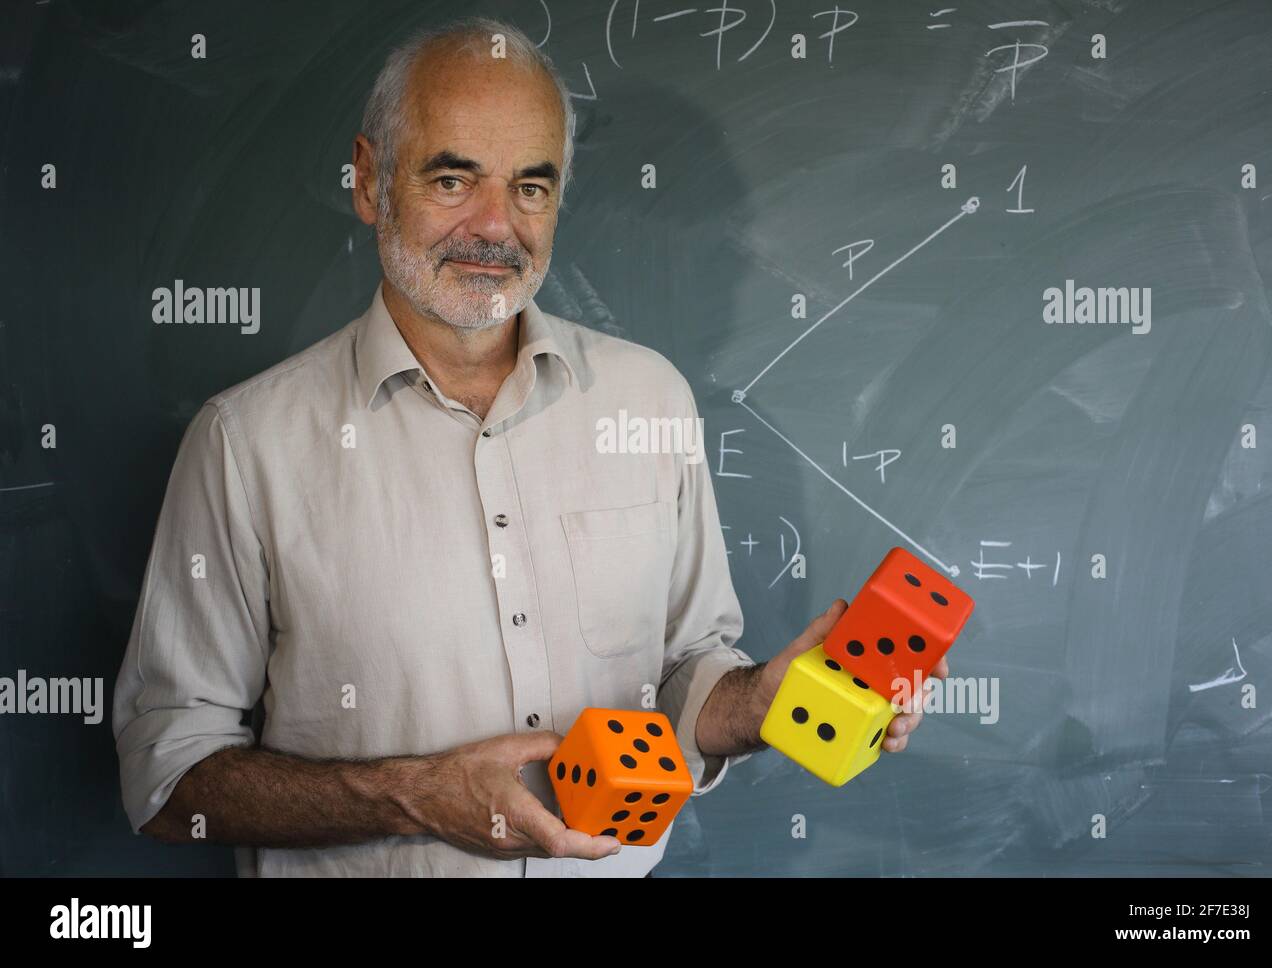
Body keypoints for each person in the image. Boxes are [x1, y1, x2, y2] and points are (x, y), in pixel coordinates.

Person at [112, 16, 938, 877]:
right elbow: (168, 778)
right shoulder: (247, 445)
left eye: (531, 187)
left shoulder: (648, 398)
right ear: (367, 181)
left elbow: (687, 673)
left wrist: (758, 704)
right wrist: (413, 794)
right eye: (453, 179)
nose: (496, 226)